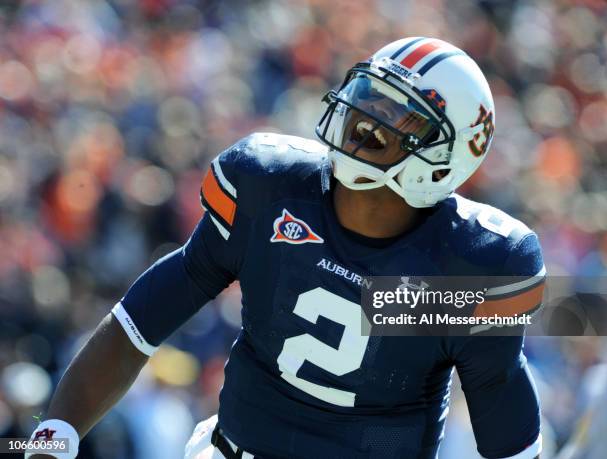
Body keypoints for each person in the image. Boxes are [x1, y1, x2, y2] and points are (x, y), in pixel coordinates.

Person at [27, 36, 545, 459]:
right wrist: (51, 438)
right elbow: (139, 323)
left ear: (443, 157)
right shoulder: (269, 186)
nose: (365, 118)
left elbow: (509, 442)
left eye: (397, 116)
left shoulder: (474, 265)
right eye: (369, 96)